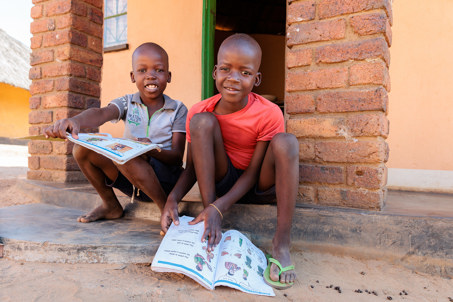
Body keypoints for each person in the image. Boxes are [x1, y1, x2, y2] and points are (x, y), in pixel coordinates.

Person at [161, 34, 298, 289]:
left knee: (287, 141)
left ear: (256, 79)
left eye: (244, 72)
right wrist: (172, 198)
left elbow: (253, 172)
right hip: (222, 183)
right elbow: (192, 167)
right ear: (215, 72)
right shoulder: (200, 110)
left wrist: (221, 207)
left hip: (258, 183)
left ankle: (281, 243)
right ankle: (209, 218)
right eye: (225, 69)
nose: (233, 78)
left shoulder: (268, 112)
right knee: (202, 121)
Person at [44, 42, 188, 223]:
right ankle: (110, 205)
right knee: (81, 150)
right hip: (132, 177)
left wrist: (150, 149)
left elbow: (176, 157)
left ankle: (164, 209)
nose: (150, 76)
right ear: (132, 76)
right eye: (142, 70)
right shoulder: (128, 102)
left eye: (158, 70)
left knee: (129, 154)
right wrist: (75, 121)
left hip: (164, 182)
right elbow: (102, 113)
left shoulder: (178, 109)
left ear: (168, 76)